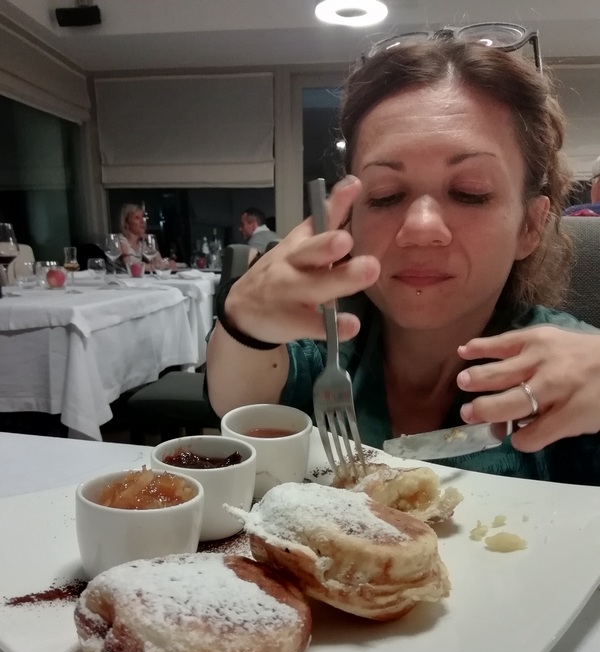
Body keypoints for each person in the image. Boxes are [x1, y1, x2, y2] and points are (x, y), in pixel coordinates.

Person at [207, 37, 600, 485]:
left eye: (469, 192)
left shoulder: (580, 371)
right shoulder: (326, 343)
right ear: (351, 218)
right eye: (385, 195)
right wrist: (243, 323)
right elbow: (239, 398)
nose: (420, 226)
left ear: (529, 225)